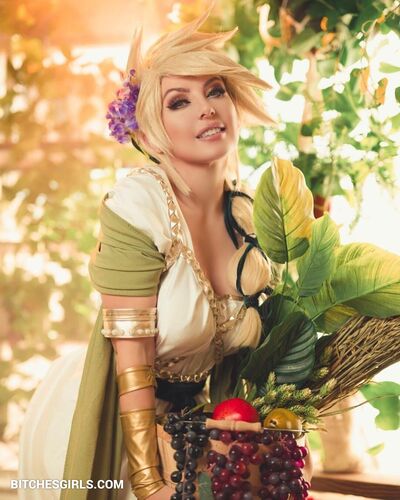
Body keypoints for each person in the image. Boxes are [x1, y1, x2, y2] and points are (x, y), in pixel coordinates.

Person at [19, 5, 305, 500]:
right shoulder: (138, 206)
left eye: (215, 91)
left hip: (190, 427)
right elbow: (132, 363)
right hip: (119, 414)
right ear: (150, 134)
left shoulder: (247, 217)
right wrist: (148, 481)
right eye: (179, 102)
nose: (206, 109)